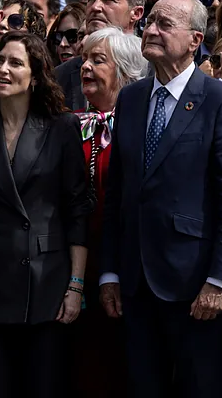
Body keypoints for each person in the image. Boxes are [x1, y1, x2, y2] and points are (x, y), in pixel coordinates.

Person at [100, 0, 222, 398]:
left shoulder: (221, 102)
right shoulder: (130, 97)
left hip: (195, 283)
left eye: (165, 24)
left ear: (196, 40)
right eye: (150, 22)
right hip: (136, 282)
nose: (151, 30)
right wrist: (110, 271)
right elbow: (119, 193)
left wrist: (219, 279)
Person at [0, 31, 92, 398]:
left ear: (37, 74)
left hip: (46, 284)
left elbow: (77, 211)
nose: (3, 70)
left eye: (15, 63)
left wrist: (76, 286)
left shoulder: (62, 126)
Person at [72, 27, 146, 397]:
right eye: (85, 58)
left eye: (98, 60)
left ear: (128, 73)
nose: (85, 65)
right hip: (74, 261)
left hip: (126, 262)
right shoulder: (70, 126)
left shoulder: (143, 127)